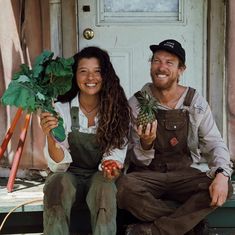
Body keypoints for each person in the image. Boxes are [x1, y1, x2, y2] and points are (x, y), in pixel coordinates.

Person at [116, 39, 234, 235]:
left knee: (224, 186)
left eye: (169, 62)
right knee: (123, 189)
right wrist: (146, 144)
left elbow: (214, 143)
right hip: (147, 175)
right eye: (156, 61)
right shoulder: (137, 103)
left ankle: (154, 230)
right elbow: (135, 158)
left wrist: (222, 172)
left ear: (181, 70)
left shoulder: (194, 101)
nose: (161, 67)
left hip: (183, 174)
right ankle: (190, 225)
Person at [39, 46, 132, 235]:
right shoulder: (60, 109)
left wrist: (111, 167)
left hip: (99, 176)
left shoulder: (118, 111)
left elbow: (114, 155)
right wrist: (50, 135)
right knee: (56, 184)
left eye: (97, 71)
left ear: (106, 76)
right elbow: (59, 167)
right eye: (83, 72)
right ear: (74, 76)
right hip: (69, 174)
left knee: (105, 188)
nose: (91, 78)